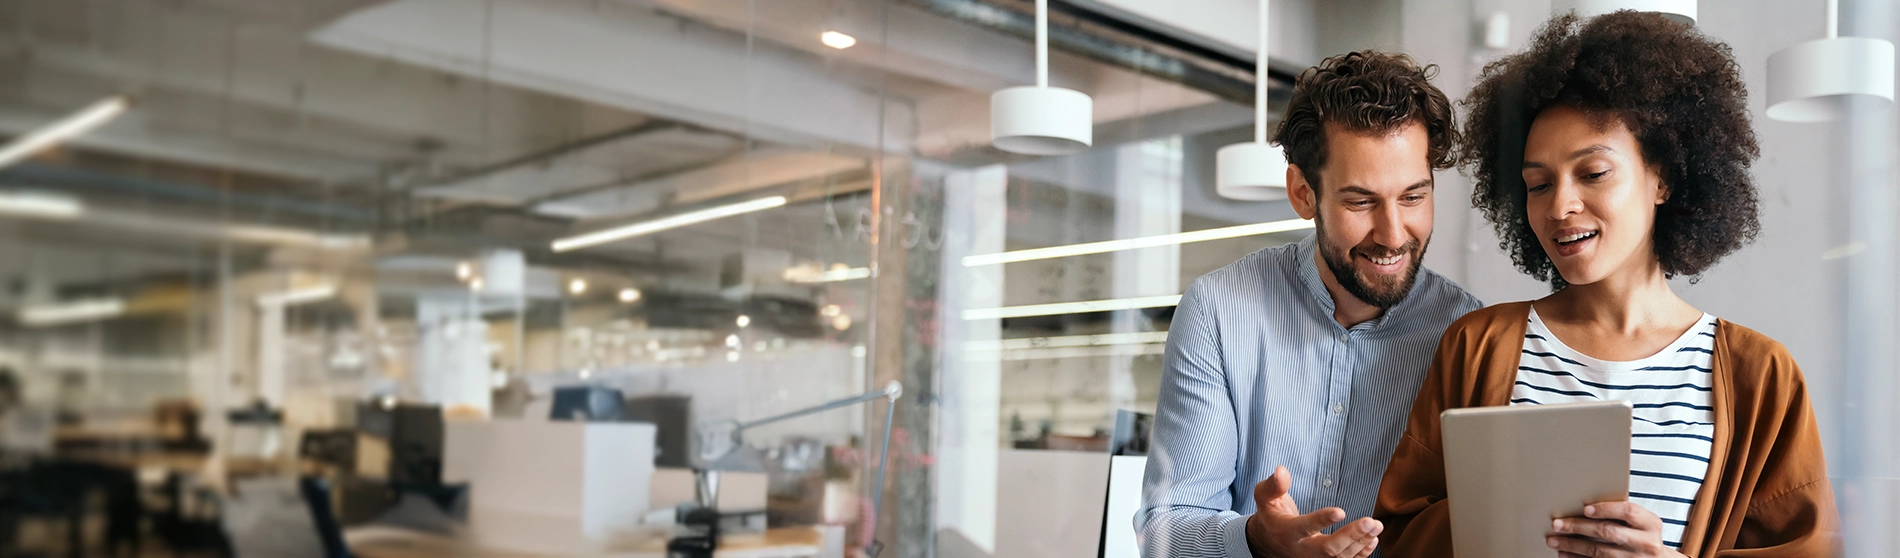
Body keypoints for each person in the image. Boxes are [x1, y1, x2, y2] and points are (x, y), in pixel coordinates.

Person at [1374, 11, 1838, 557]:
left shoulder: (1760, 376)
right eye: (1537, 184)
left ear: (1662, 177)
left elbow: (1809, 548)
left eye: (1592, 173)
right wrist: (1502, 517)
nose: (1560, 206)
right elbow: (1401, 530)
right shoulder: (1478, 345)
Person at [1139, 51, 1483, 558]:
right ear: (1303, 193)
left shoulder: (1467, 334)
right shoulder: (1218, 312)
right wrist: (1256, 539)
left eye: (1413, 197)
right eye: (1360, 201)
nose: (1393, 235)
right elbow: (1164, 532)